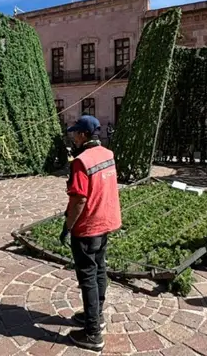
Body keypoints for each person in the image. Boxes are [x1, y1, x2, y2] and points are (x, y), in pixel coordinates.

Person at [60, 115, 122, 351]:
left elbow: (78, 200)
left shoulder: (81, 162)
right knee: (100, 271)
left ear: (83, 135)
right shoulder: (108, 154)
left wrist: (68, 226)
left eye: (75, 133)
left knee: (87, 277)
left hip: (87, 226)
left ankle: (92, 333)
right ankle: (96, 316)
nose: (73, 136)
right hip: (106, 220)